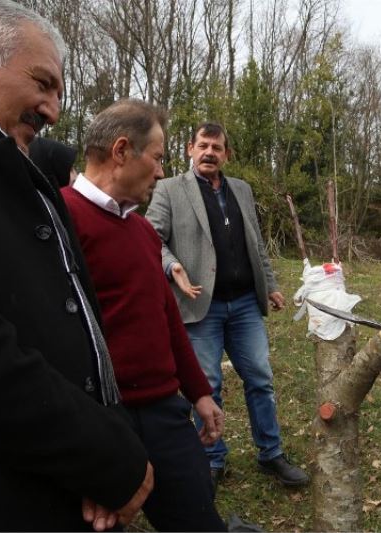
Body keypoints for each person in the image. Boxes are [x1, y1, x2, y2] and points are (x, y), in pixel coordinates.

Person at [0, 1, 152, 531]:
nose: (51, 110)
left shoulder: (10, 169)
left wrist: (100, 439)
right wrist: (101, 454)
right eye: (43, 84)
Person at [61, 99, 228, 531]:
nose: (160, 172)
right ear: (121, 151)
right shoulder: (61, 218)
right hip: (102, 420)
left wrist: (200, 393)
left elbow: (167, 316)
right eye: (156, 158)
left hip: (165, 413)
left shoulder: (141, 231)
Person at [146, 122, 309, 489]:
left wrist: (268, 284)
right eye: (203, 145)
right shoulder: (170, 189)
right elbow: (151, 238)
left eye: (216, 148)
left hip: (245, 304)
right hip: (200, 305)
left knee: (260, 379)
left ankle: (271, 454)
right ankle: (212, 458)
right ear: (190, 149)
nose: (209, 153)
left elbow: (256, 243)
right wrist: (173, 267)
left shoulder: (241, 190)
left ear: (226, 154)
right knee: (207, 386)